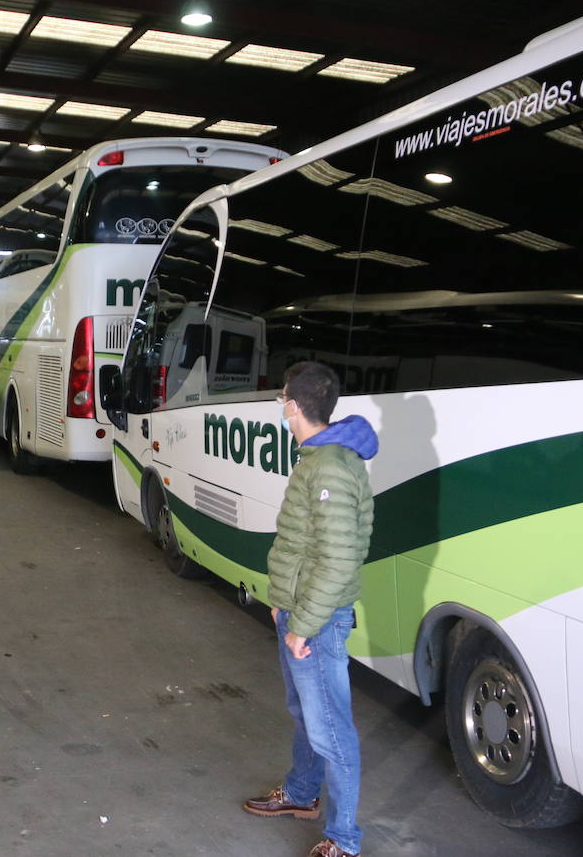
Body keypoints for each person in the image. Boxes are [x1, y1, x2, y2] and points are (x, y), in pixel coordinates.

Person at [242, 361, 378, 857]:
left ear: (294, 406)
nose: (281, 407)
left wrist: (303, 624)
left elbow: (339, 556)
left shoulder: (330, 467)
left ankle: (344, 841)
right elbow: (304, 544)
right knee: (304, 713)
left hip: (315, 622)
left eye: (282, 399)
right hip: (298, 612)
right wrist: (283, 605)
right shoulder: (317, 459)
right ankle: (301, 795)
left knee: (332, 731)